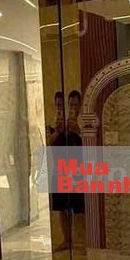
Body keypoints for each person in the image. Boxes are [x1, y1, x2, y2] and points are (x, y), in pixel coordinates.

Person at [47, 90, 84, 250]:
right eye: (59, 105)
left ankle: (84, 242)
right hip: (59, 169)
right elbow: (49, 142)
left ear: (80, 104)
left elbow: (90, 143)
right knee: (62, 208)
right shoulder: (53, 123)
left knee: (80, 208)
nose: (71, 107)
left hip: (77, 171)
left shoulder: (83, 122)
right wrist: (58, 131)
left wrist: (78, 131)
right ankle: (66, 240)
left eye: (75, 104)